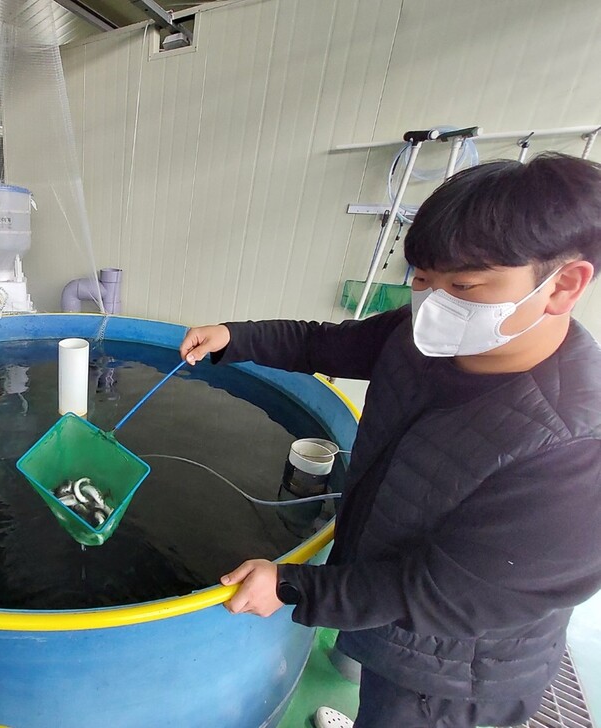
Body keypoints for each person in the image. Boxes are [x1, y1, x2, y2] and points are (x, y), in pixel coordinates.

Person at [179, 153, 601, 728]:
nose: (432, 303)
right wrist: (236, 337)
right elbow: (327, 344)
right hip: (382, 610)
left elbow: (451, 595)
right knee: (376, 687)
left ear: (563, 285)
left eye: (465, 284)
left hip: (456, 674)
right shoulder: (426, 334)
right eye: (423, 279)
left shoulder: (576, 447)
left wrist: (296, 586)